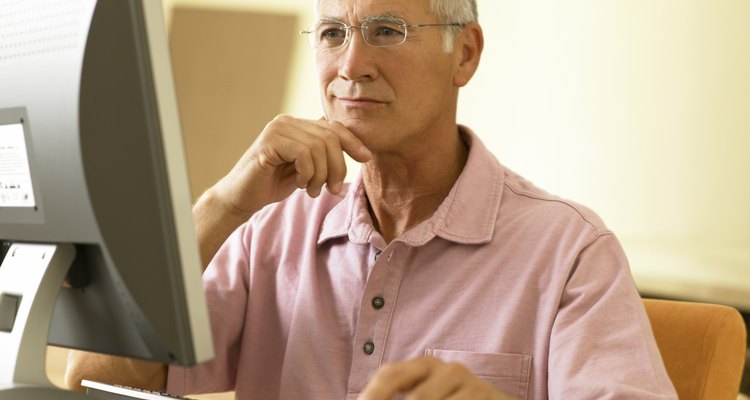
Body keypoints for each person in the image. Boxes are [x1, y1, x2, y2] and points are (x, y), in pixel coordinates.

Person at [66, 0, 678, 398]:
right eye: (333, 32)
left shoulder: (570, 250)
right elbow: (90, 382)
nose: (351, 64)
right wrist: (224, 204)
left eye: (387, 31)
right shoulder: (269, 228)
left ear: (464, 54)